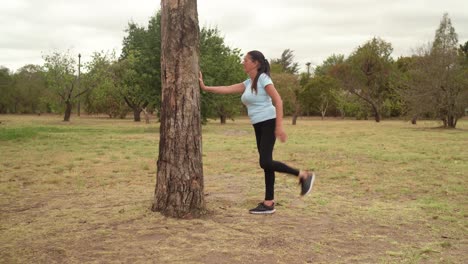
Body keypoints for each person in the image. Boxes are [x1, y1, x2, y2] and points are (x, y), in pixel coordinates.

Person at [199, 50, 315, 214]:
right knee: (267, 163)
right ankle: (269, 203)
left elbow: (278, 100)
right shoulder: (248, 82)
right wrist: (205, 87)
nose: (243, 62)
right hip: (258, 124)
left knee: (265, 162)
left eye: (245, 60)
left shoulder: (263, 79)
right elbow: (226, 88)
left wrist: (279, 126)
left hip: (269, 121)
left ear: (256, 63)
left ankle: (303, 175)